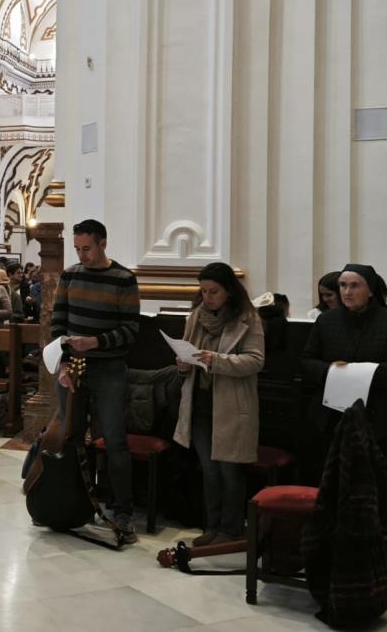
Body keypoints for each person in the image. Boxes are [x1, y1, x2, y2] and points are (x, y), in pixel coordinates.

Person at [51, 219, 142, 543]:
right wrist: (62, 362)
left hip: (109, 370)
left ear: (103, 243)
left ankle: (122, 512)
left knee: (115, 442)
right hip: (72, 368)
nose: (81, 255)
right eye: (77, 249)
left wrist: (95, 343)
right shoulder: (70, 275)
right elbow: (58, 322)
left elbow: (131, 331)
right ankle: (75, 504)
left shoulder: (123, 279)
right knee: (72, 437)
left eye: (86, 248)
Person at [164, 263, 265, 546]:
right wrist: (183, 364)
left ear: (229, 291)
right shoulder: (197, 316)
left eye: (214, 291)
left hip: (232, 407)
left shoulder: (248, 318)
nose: (208, 297)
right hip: (199, 403)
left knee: (230, 470)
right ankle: (213, 526)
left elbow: (256, 360)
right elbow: (187, 350)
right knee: (209, 470)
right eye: (204, 291)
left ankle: (232, 530)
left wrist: (216, 360)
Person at [302, 265, 387, 489]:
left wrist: (368, 373)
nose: (347, 292)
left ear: (370, 290)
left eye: (354, 286)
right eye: (343, 286)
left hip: (383, 418)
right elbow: (307, 361)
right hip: (335, 417)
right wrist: (332, 372)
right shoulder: (326, 321)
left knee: (380, 485)